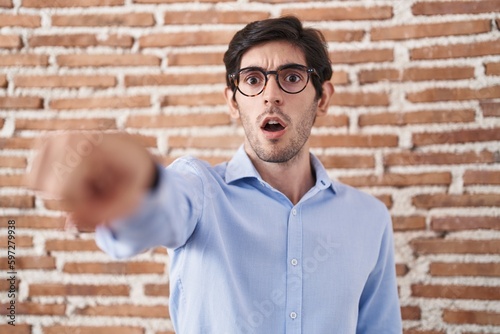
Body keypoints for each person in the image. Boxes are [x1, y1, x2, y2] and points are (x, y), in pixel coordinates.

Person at [27, 16, 402, 334]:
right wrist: (134, 187)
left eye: (291, 77)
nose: (271, 95)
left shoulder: (369, 218)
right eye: (253, 80)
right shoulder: (199, 189)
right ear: (232, 100)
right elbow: (158, 211)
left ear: (322, 98)